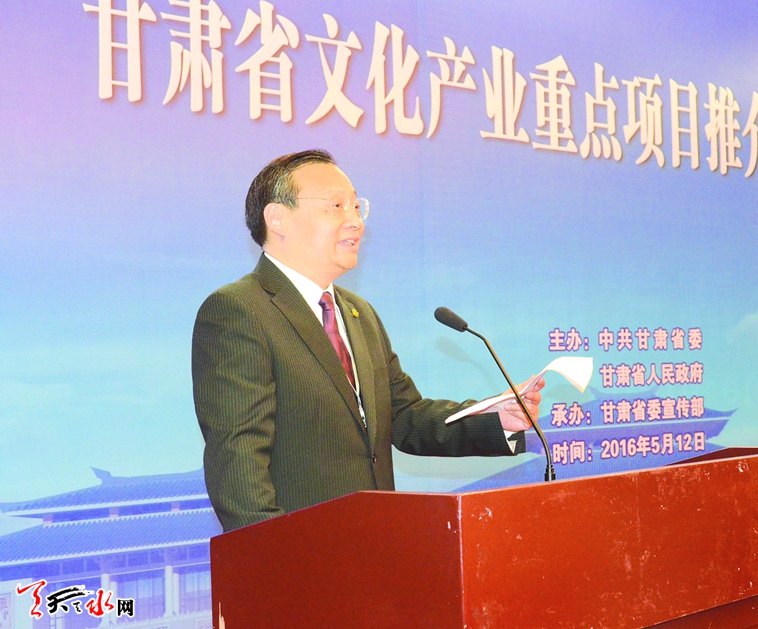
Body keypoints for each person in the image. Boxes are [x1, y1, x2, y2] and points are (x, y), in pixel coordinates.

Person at [192, 149, 543, 532]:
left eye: (357, 207)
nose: (355, 222)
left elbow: (403, 416)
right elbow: (238, 460)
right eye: (336, 206)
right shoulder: (239, 310)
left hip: (373, 543)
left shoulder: (358, 313)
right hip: (302, 551)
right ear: (278, 218)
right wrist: (277, 553)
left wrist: (496, 418)